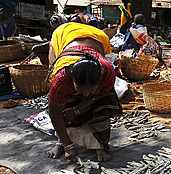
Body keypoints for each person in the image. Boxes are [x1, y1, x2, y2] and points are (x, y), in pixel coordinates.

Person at [46, 22, 122, 163]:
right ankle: (61, 142)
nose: (86, 95)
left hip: (96, 37)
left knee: (102, 105)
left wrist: (77, 109)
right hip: (63, 35)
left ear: (99, 79)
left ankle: (100, 145)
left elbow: (102, 94)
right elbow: (54, 113)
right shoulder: (61, 80)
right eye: (79, 90)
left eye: (91, 90)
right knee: (64, 108)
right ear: (72, 78)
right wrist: (68, 146)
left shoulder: (107, 72)